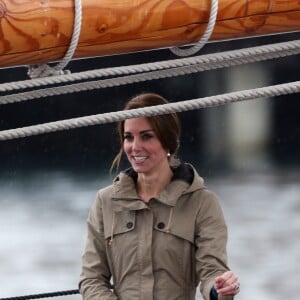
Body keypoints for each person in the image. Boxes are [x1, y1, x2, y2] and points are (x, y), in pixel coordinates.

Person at [79, 93, 240, 300]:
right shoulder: (105, 201)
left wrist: (220, 289)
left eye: (146, 136)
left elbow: (212, 272)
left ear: (168, 142)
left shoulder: (203, 202)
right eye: (129, 137)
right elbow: (91, 279)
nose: (135, 147)